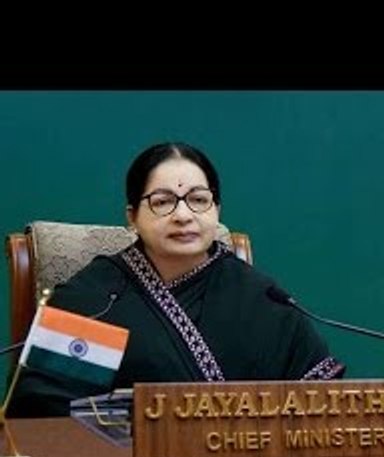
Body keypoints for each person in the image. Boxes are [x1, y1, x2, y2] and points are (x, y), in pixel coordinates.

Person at [8, 142, 344, 417]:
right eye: (163, 202)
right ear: (132, 217)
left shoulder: (262, 299)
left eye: (199, 200)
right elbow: (43, 412)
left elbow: (321, 404)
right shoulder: (94, 301)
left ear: (217, 210)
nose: (183, 215)